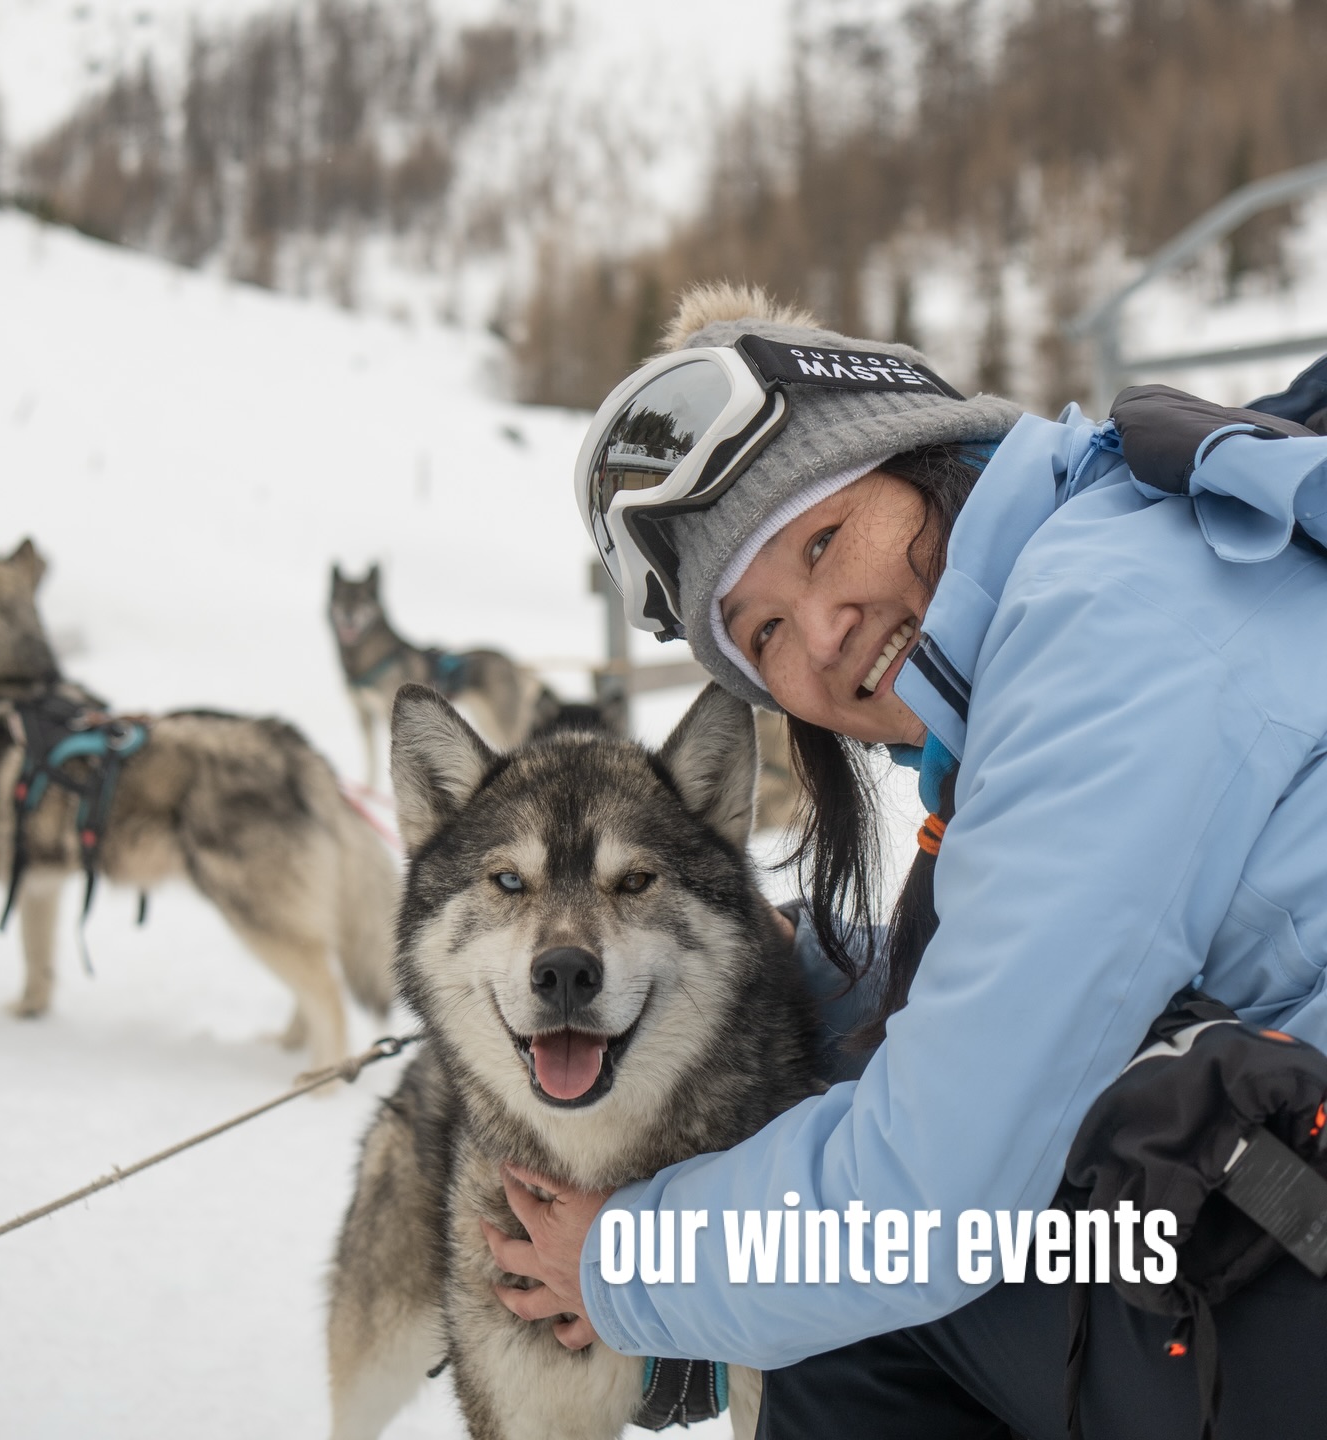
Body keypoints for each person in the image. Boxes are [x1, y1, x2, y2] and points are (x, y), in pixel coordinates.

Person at [480, 284, 1327, 1437]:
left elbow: (931, 1199)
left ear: (920, 452)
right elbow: (1062, 994)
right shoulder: (1110, 560)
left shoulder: (1107, 634)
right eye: (764, 632)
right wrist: (812, 966)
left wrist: (626, 1260)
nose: (822, 634)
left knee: (858, 1307)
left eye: (824, 543)